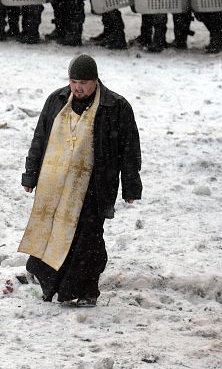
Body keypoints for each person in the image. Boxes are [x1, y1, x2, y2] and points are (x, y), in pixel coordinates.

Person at [19, 54, 142, 306]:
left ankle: (85, 292)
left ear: (95, 81)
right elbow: (39, 140)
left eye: (84, 82)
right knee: (55, 234)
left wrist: (131, 185)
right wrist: (30, 174)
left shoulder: (116, 107)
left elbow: (129, 150)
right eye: (74, 81)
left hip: (94, 186)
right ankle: (52, 286)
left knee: (88, 240)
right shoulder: (57, 100)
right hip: (55, 185)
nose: (78, 87)